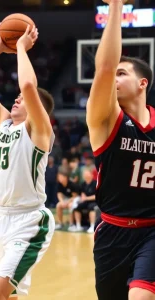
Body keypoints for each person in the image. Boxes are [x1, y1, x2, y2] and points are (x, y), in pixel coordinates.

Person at [0, 24, 55, 300]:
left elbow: (28, 85)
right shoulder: (3, 123)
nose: (18, 98)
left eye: (24, 100)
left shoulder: (39, 131)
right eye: (16, 97)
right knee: (10, 295)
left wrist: (19, 46)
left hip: (29, 220)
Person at [87, 0, 155, 299]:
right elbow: (103, 68)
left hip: (152, 230)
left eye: (122, 74)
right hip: (112, 232)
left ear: (143, 83)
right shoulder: (105, 120)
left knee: (141, 296)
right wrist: (115, 5)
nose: (113, 79)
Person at [54, 167, 80, 231]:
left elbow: (75, 197)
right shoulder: (59, 184)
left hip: (76, 199)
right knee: (58, 205)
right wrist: (62, 201)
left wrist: (67, 202)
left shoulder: (72, 184)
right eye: (59, 176)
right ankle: (60, 224)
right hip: (67, 199)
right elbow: (59, 194)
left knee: (70, 205)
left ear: (65, 177)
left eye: (60, 176)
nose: (59, 178)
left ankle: (71, 224)